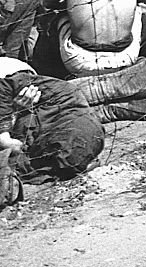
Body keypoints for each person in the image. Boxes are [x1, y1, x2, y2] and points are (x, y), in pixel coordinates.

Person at [0, 64, 104, 195]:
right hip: (36, 113)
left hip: (31, 89)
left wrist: (4, 136)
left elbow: (6, 86)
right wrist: (12, 119)